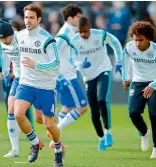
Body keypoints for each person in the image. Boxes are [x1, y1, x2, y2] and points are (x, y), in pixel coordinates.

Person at [14, 4, 64, 166]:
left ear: (39, 19)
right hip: (26, 83)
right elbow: (10, 50)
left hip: (45, 86)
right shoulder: (20, 36)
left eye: (31, 18)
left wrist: (36, 65)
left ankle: (58, 149)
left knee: (47, 123)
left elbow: (56, 63)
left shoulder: (48, 39)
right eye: (26, 17)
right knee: (18, 114)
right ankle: (35, 143)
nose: (28, 20)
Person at [70, 16, 123, 151]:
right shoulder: (74, 41)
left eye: (86, 31)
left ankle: (108, 131)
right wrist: (80, 65)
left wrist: (119, 61)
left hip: (103, 70)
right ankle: (101, 138)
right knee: (94, 112)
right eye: (81, 31)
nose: (83, 34)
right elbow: (71, 59)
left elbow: (115, 42)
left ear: (90, 28)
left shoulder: (100, 35)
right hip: (88, 77)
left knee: (101, 99)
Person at [122, 21, 156, 158]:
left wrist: (153, 86)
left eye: (140, 40)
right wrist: (126, 78)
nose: (137, 43)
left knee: (154, 115)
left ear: (148, 38)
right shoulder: (129, 48)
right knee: (133, 113)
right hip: (137, 82)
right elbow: (125, 64)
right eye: (135, 40)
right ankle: (144, 132)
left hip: (155, 82)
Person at [47, 3, 88, 149]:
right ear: (70, 18)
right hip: (66, 77)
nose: (80, 20)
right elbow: (53, 54)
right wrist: (57, 74)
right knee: (82, 108)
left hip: (68, 74)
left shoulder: (72, 32)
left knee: (68, 107)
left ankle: (55, 141)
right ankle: (55, 130)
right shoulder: (64, 34)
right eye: (78, 17)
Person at [0, 19, 38, 158]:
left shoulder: (23, 38)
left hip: (32, 77)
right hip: (18, 78)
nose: (4, 41)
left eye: (5, 37)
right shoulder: (3, 42)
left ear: (12, 34)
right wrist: (5, 70)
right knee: (11, 109)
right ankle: (15, 149)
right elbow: (4, 55)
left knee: (41, 117)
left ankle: (46, 141)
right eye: (1, 38)